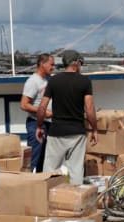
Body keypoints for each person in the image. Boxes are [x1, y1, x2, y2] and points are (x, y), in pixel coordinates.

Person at [36, 50, 96, 184]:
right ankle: (75, 202)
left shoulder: (53, 80)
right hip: (77, 133)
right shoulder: (85, 81)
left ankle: (47, 200)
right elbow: (90, 108)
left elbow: (42, 107)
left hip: (56, 132)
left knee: (50, 171)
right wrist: (95, 129)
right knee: (76, 171)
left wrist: (39, 126)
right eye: (80, 63)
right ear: (76, 63)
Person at [20, 53, 54, 172]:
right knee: (34, 158)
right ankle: (29, 184)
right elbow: (24, 104)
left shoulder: (49, 79)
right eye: (51, 64)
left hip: (48, 124)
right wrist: (43, 112)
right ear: (42, 64)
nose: (53, 67)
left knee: (45, 159)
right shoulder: (33, 81)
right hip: (35, 124)